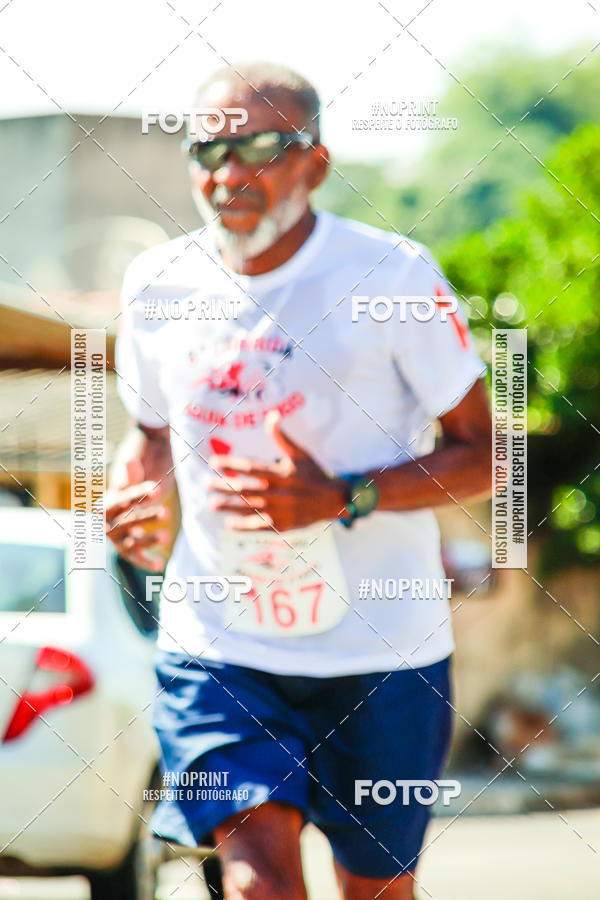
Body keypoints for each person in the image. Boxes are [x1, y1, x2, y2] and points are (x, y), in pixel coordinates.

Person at [106, 61, 492, 900]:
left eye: (260, 148)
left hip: (383, 652)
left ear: (315, 162)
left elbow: (487, 453)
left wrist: (346, 495)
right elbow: (149, 435)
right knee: (257, 884)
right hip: (221, 645)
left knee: (376, 893)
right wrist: (134, 499)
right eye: (208, 150)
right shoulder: (158, 282)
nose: (228, 172)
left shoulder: (391, 275)